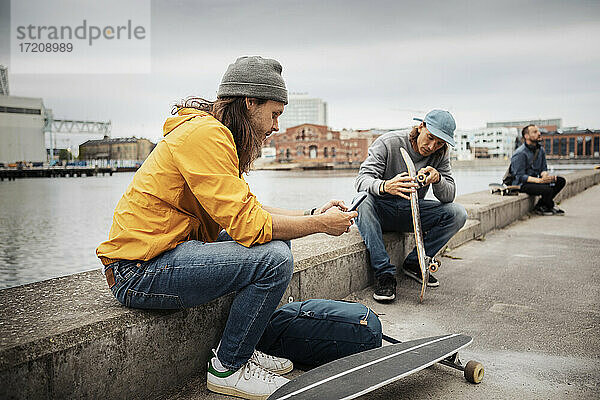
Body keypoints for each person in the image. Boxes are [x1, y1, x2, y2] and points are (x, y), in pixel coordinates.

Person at [96, 56, 357, 400]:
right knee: (274, 256)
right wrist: (319, 225)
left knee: (280, 241)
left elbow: (247, 209)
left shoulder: (213, 133)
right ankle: (229, 368)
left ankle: (244, 347)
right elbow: (251, 223)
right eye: (275, 113)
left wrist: (310, 213)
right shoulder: (204, 135)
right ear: (250, 102)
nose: (277, 126)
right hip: (139, 270)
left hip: (166, 253)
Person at [354, 110, 467, 302]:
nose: (432, 146)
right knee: (362, 202)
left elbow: (448, 197)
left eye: (439, 142)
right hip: (382, 210)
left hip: (411, 210)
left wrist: (438, 178)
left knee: (457, 213)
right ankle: (384, 274)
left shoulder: (440, 153)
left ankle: (415, 263)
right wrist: (384, 186)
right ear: (421, 126)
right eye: (430, 138)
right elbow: (361, 181)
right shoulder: (388, 142)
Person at [509, 124, 565, 216]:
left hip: (536, 180)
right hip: (521, 184)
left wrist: (545, 176)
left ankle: (541, 206)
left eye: (538, 131)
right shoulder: (520, 153)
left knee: (560, 181)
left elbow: (543, 168)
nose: (539, 133)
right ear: (526, 136)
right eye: (535, 132)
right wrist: (539, 181)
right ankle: (550, 205)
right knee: (547, 189)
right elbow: (520, 176)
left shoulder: (540, 150)